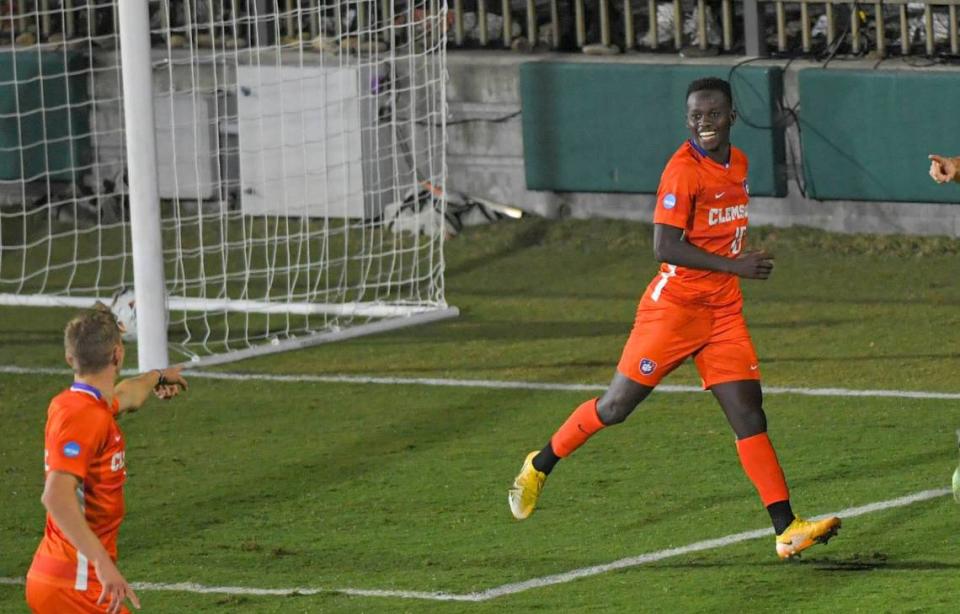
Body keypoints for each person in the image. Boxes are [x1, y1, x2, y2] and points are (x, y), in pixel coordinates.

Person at [508, 77, 840, 560]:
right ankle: (539, 465)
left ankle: (786, 529)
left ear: (732, 116)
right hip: (674, 310)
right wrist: (736, 265)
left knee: (749, 415)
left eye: (712, 114)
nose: (703, 123)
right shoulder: (682, 172)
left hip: (723, 311)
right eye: (695, 116)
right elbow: (664, 246)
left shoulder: (740, 163)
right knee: (615, 408)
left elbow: (715, 231)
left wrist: (733, 262)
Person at [25, 303, 188, 614]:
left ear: (70, 358)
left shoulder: (82, 405)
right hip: (77, 584)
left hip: (59, 578)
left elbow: (126, 395)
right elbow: (56, 496)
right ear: (118, 354)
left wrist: (157, 377)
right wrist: (103, 564)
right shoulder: (85, 417)